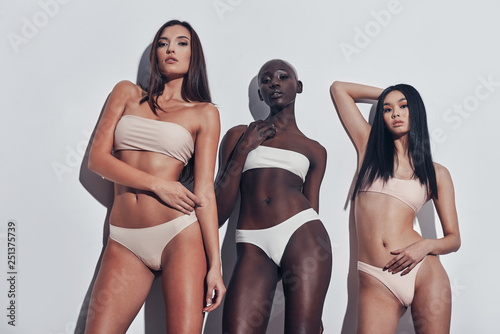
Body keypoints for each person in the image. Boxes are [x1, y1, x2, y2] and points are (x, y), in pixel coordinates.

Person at [85, 20, 225, 333]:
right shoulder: (126, 93)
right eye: (163, 43)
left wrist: (215, 265)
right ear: (156, 54)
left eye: (181, 42)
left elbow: (204, 192)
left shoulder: (204, 113)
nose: (171, 48)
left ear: (194, 55)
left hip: (179, 235)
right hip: (124, 240)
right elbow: (97, 160)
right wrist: (159, 184)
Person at [330, 81, 461, 333]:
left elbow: (454, 239)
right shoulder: (368, 147)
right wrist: (387, 93)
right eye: (387, 109)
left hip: (424, 271)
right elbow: (339, 89)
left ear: (416, 111)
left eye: (404, 106)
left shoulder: (437, 173)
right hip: (375, 278)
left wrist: (424, 246)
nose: (396, 113)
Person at [216, 59, 332, 334]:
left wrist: (313, 303)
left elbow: (312, 208)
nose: (274, 83)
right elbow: (219, 211)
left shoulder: (315, 150)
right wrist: (244, 148)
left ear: (298, 86)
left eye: (283, 76)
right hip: (252, 244)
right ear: (260, 94)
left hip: (303, 238)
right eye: (265, 80)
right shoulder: (238, 135)